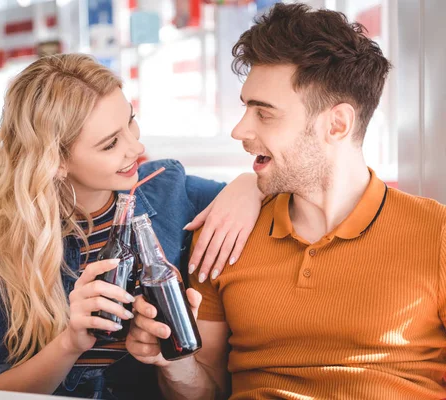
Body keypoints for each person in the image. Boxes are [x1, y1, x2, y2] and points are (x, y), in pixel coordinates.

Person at [127, 3, 446, 399]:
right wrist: (176, 365)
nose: (239, 130)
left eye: (265, 114)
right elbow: (203, 391)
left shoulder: (437, 234)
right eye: (246, 108)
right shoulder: (224, 235)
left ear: (336, 124)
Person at [0, 53, 264, 399]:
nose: (136, 147)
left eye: (131, 122)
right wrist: (70, 342)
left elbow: (273, 190)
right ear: (57, 162)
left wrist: (248, 186)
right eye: (110, 143)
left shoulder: (170, 191)